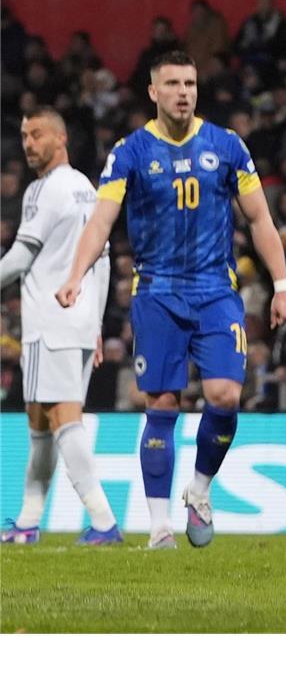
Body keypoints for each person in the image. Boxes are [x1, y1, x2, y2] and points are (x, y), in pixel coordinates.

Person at [55, 51, 286, 550]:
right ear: (153, 91)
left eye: (190, 82)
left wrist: (282, 285)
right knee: (162, 402)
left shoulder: (227, 147)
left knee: (226, 396)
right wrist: (75, 275)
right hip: (158, 292)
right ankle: (160, 525)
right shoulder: (129, 152)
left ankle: (201, 490)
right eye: (172, 83)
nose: (184, 91)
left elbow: (259, 219)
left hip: (216, 291)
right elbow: (101, 221)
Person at [0, 106, 121, 545]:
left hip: (48, 321)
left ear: (61, 139)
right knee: (39, 422)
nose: (28, 143)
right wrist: (97, 322)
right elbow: (104, 261)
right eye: (25, 135)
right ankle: (29, 523)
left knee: (63, 419)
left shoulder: (43, 190)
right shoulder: (88, 191)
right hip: (79, 322)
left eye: (36, 135)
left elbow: (19, 257)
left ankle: (104, 521)